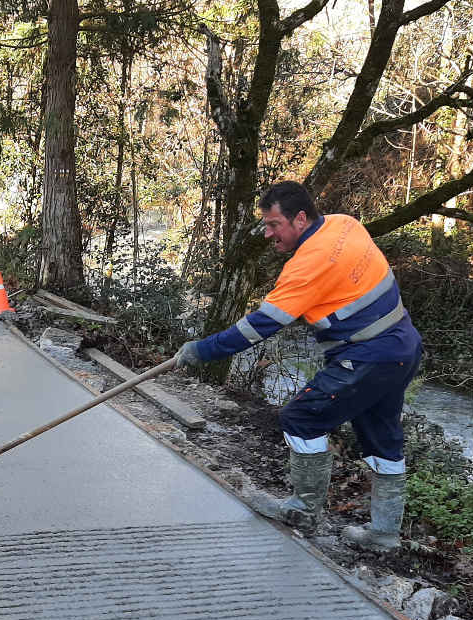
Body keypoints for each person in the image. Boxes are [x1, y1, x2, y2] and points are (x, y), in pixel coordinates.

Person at [172, 181, 423, 552]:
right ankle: (384, 534)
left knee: (301, 419)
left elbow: (259, 327)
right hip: (403, 345)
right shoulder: (344, 224)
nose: (268, 232)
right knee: (382, 436)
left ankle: (302, 511)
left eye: (274, 224)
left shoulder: (307, 265)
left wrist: (201, 350)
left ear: (301, 218)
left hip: (369, 355)